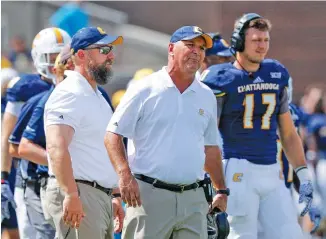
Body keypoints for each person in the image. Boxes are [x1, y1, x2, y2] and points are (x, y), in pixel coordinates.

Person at [105, 25, 228, 239]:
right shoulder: (145, 88)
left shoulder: (206, 95)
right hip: (149, 196)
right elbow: (112, 135)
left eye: (201, 47)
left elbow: (210, 148)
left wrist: (221, 190)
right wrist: (124, 176)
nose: (196, 51)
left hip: (193, 198)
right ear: (171, 48)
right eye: (190, 45)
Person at [201, 13, 314, 239]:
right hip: (237, 169)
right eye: (256, 40)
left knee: (291, 234)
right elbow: (206, 135)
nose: (262, 46)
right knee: (240, 235)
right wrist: (214, 182)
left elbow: (288, 132)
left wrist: (303, 173)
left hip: (272, 170)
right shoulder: (219, 78)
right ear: (239, 42)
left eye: (265, 40)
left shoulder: (276, 72)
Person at [44, 26, 124, 239]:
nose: (111, 56)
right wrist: (71, 194)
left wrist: (114, 195)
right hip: (80, 192)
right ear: (81, 55)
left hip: (96, 196)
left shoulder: (94, 94)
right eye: (104, 49)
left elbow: (99, 148)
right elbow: (55, 147)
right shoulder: (70, 93)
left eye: (111, 49)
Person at [1, 27, 71, 239]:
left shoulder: (78, 85)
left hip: (72, 176)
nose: (56, 62)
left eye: (61, 56)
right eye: (51, 57)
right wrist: (3, 178)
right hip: (32, 177)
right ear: (38, 57)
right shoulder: (25, 87)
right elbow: (8, 138)